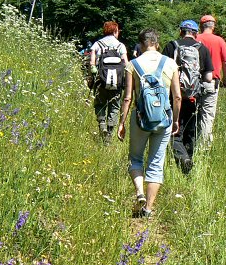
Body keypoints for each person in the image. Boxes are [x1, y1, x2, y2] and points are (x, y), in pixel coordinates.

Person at [118, 28, 181, 218]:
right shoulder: (170, 63)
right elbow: (177, 97)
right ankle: (148, 209)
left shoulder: (133, 64)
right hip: (164, 119)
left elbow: (128, 98)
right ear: (157, 43)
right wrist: (176, 120)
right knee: (156, 163)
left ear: (141, 44)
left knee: (135, 157)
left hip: (140, 118)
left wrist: (122, 122)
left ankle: (139, 193)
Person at [162, 20, 213, 174]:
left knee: (174, 130)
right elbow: (209, 77)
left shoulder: (171, 46)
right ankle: (188, 163)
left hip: (173, 96)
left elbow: (163, 71)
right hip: (194, 97)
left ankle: (182, 158)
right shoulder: (202, 49)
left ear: (181, 31)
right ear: (196, 33)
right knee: (190, 131)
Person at [196, 14, 226, 145]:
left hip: (193, 83)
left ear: (201, 26)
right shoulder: (219, 41)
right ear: (213, 26)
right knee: (207, 116)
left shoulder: (196, 38)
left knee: (193, 114)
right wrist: (225, 80)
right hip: (211, 82)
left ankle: (190, 143)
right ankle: (203, 147)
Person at [90, 21, 128, 143]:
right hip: (116, 83)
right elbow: (126, 64)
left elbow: (92, 64)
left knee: (100, 104)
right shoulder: (120, 46)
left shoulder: (97, 44)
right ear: (115, 31)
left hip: (101, 81)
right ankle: (110, 134)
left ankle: (102, 126)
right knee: (115, 107)